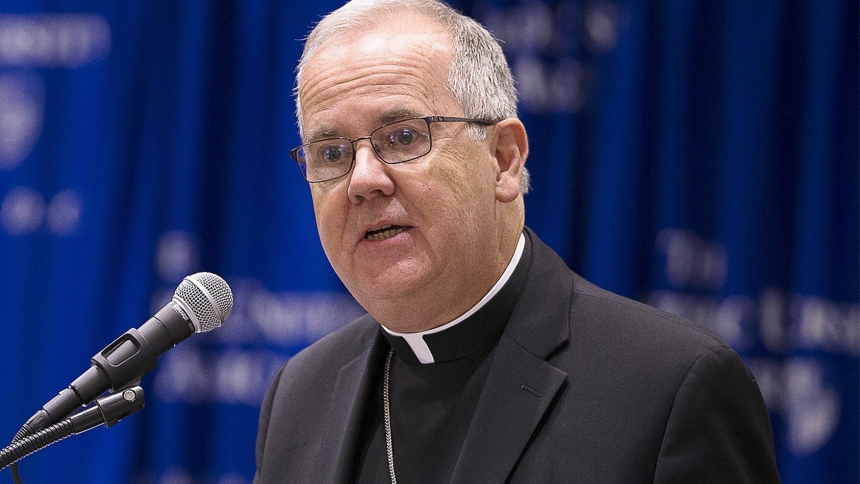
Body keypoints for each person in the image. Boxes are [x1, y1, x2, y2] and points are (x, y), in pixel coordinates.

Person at [254, 0, 781, 482]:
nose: (363, 179)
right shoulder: (299, 395)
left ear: (504, 159)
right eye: (330, 153)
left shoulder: (669, 388)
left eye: (404, 137)